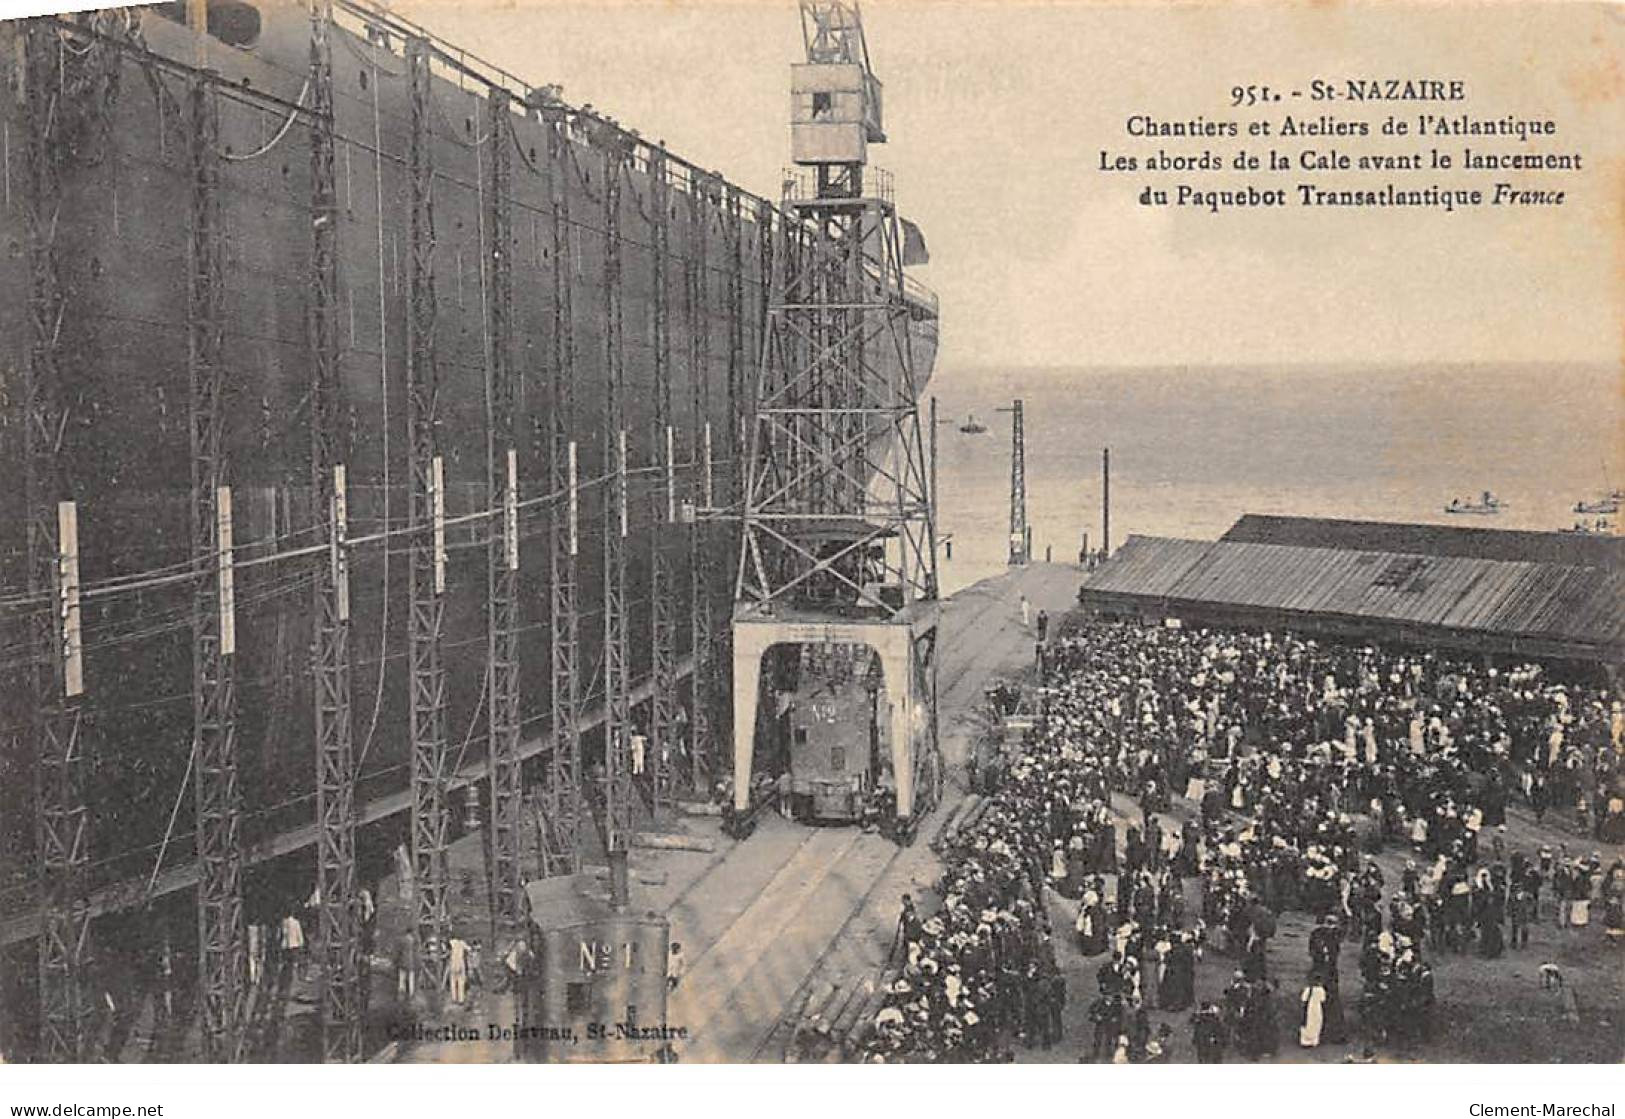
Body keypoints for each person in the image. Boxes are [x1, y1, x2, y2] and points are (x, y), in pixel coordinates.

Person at [448, 935, 470, 1004]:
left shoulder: (451, 942)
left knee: (453, 982)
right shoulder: (462, 943)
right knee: (461, 982)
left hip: (453, 963)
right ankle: (461, 999)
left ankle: (454, 998)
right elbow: (469, 949)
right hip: (460, 963)